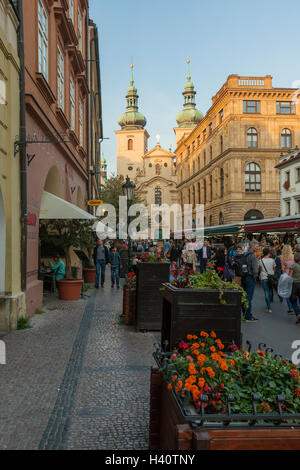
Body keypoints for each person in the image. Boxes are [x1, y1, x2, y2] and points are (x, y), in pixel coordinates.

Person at [241, 240, 260, 322]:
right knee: (249, 297)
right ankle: (248, 316)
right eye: (256, 246)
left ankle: (244, 313)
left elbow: (243, 266)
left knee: (245, 296)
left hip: (244, 276)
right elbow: (255, 269)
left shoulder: (245, 254)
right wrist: (255, 277)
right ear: (252, 246)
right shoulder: (252, 256)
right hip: (250, 277)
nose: (258, 247)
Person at [258, 248, 276, 313]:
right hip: (271, 277)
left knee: (266, 291)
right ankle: (270, 300)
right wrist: (272, 273)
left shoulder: (260, 261)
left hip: (263, 277)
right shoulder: (272, 260)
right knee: (270, 289)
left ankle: (269, 307)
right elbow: (274, 268)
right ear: (268, 253)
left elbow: (260, 269)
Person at [281, 244, 295, 313]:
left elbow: (282, 269)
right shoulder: (294, 256)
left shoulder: (283, 258)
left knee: (287, 292)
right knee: (295, 292)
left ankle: (290, 308)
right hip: (294, 275)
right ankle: (296, 306)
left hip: (286, 275)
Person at [288, 252, 300, 324]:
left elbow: (289, 276)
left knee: (293, 300)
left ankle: (298, 313)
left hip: (295, 285)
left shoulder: (293, 266)